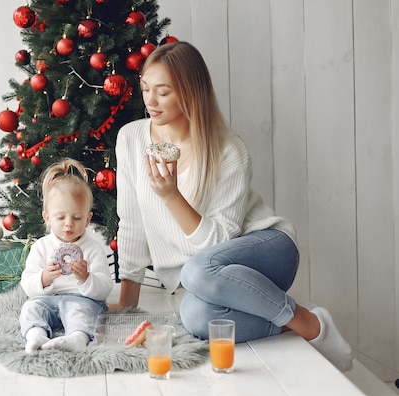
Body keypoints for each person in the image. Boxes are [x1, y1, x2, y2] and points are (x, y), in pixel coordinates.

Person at [113, 41, 353, 371]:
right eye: (145, 88)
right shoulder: (131, 139)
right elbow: (131, 222)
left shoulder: (228, 150)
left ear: (189, 93)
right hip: (209, 277)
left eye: (163, 92)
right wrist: (128, 303)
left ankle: (309, 323)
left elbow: (217, 244)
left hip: (267, 249)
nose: (150, 101)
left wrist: (171, 196)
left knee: (197, 269)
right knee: (196, 317)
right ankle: (283, 319)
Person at [19, 158, 113, 353]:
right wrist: (43, 278)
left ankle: (77, 339)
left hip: (82, 299)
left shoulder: (92, 249)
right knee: (30, 309)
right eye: (61, 217)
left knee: (81, 314)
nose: (69, 224)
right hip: (46, 298)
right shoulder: (41, 247)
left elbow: (104, 288)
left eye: (77, 217)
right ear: (47, 218)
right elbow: (27, 283)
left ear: (87, 219)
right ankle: (36, 335)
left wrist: (87, 278)